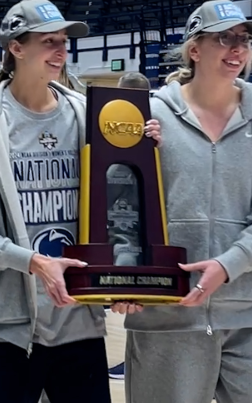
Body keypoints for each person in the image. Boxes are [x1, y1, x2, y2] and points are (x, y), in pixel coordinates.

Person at [113, 0, 252, 403]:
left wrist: (227, 265)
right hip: (168, 312)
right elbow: (123, 206)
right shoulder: (150, 117)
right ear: (194, 49)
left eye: (245, 40)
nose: (237, 48)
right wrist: (124, 274)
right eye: (225, 38)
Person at [0, 0, 110, 403]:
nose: (61, 51)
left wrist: (146, 143)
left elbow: (118, 203)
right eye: (49, 41)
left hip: (79, 319)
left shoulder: (86, 114)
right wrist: (33, 262)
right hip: (7, 324)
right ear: (16, 47)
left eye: (64, 42)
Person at [106, 71, 151, 381]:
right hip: (143, 217)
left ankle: (135, 361)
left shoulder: (116, 125)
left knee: (133, 291)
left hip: (125, 208)